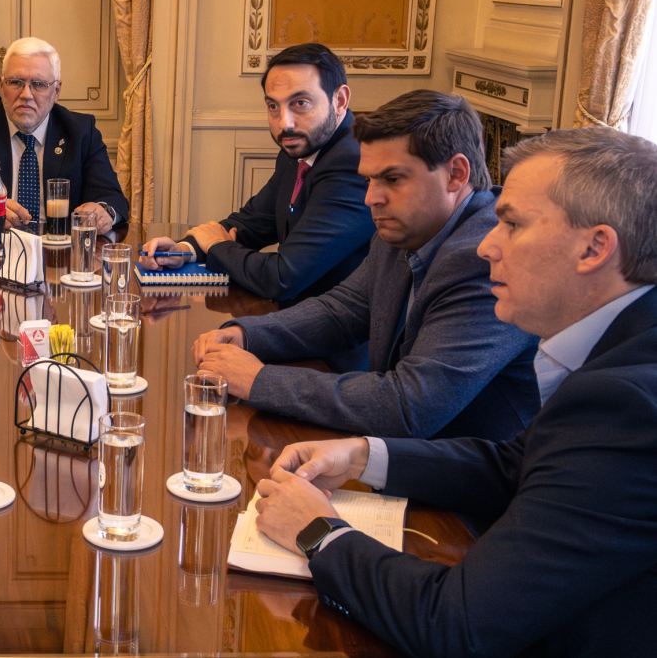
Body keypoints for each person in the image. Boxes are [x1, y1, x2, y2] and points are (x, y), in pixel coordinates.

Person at [253, 127, 657, 657]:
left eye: (511, 224)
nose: (488, 244)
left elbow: (457, 625)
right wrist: (361, 455)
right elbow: (513, 465)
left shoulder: (627, 403)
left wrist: (317, 533)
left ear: (594, 247)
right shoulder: (624, 347)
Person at [194, 90, 538, 440]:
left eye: (392, 179)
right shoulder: (405, 228)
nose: (371, 198)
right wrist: (247, 334)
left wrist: (259, 380)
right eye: (369, 179)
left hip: (463, 482)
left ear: (456, 174)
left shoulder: (487, 259)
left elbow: (408, 406)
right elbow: (343, 310)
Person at [141, 43, 376, 304]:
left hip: (333, 336)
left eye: (300, 103)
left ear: (340, 100)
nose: (284, 123)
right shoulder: (299, 149)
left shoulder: (355, 162)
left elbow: (282, 277)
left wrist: (217, 246)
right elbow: (252, 223)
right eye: (273, 106)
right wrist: (185, 250)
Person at [0, 36, 129, 234]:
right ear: (1, 85)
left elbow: (112, 198)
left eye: (39, 84)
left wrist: (105, 212)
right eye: (15, 82)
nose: (26, 94)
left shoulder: (81, 131)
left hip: (60, 253)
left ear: (56, 90)